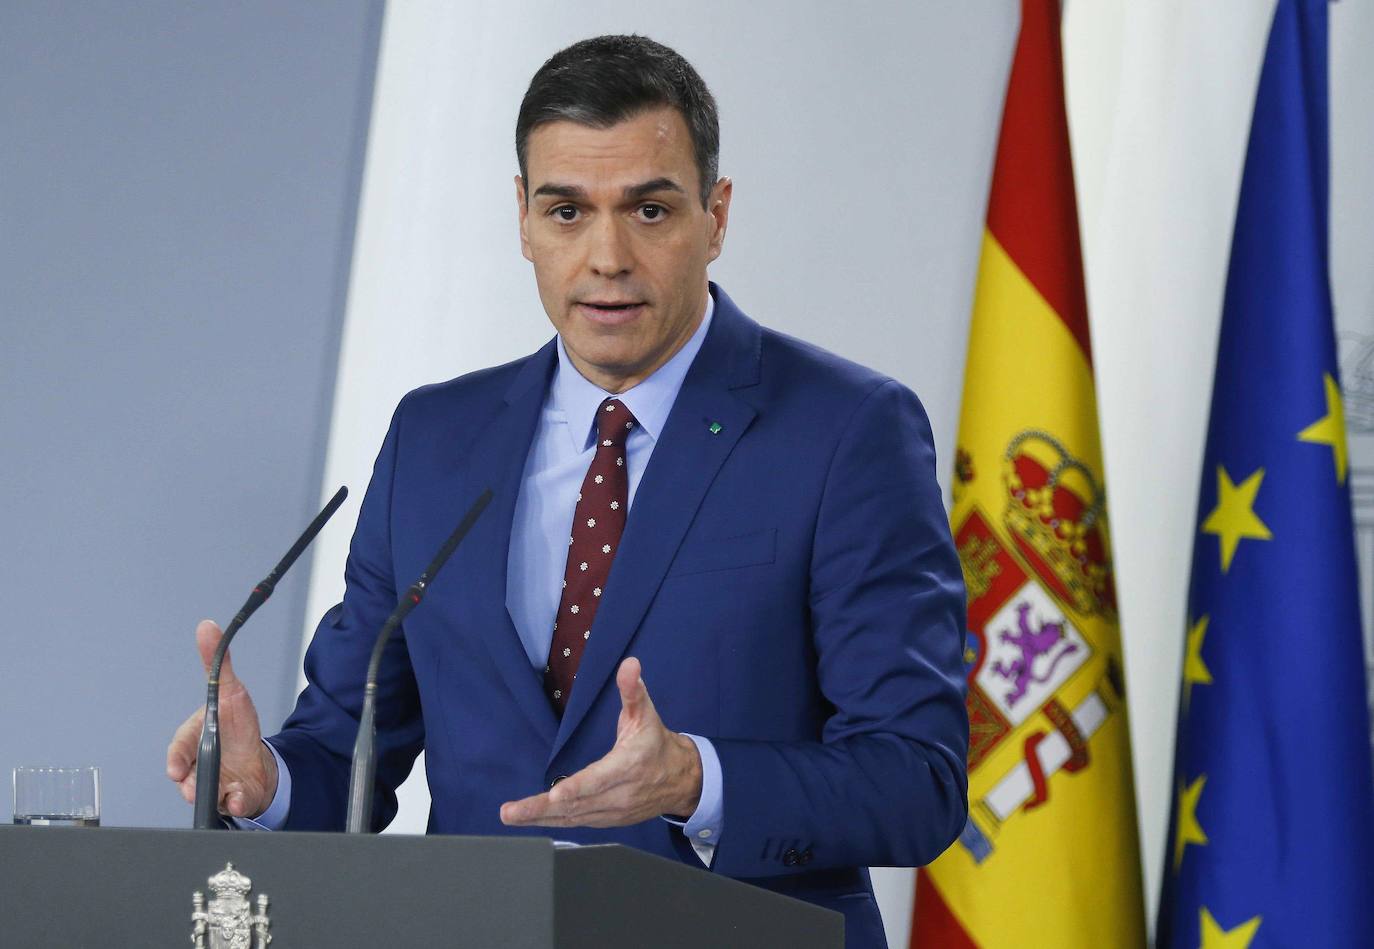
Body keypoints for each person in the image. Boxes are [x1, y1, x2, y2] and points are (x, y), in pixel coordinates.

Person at [166, 34, 968, 947]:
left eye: (651, 211)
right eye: (566, 211)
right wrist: (265, 784)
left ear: (717, 213)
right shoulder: (436, 439)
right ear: (522, 218)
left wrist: (697, 781)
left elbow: (918, 778)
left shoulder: (846, 431)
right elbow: (350, 750)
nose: (607, 256)